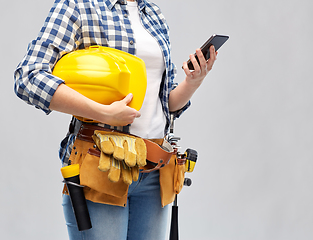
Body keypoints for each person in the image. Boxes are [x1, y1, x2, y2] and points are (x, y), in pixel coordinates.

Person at [14, 0, 217, 239]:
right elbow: (28, 77)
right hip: (102, 165)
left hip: (154, 168)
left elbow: (167, 103)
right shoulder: (78, 6)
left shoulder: (152, 13)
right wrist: (102, 113)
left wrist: (193, 81)